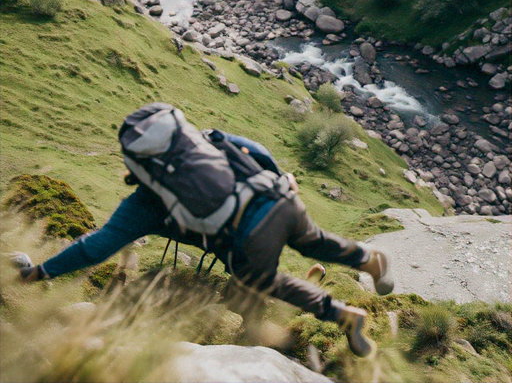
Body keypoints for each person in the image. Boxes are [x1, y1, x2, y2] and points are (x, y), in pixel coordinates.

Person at [19, 115, 393, 358]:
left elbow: (93, 246)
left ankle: (334, 316)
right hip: (277, 203)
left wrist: (40, 272)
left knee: (258, 281)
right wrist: (282, 178)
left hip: (246, 242)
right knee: (310, 243)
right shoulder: (205, 140)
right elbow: (255, 150)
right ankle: (367, 260)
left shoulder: (143, 204)